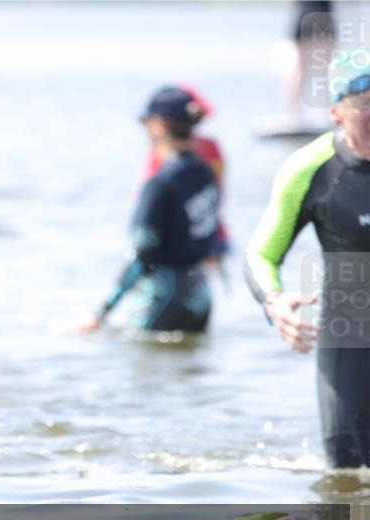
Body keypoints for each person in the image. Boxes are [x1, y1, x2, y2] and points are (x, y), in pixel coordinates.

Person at [244, 54, 370, 468]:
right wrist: (274, 301)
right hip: (351, 336)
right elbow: (261, 252)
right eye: (365, 101)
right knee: (350, 481)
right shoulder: (309, 169)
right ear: (336, 112)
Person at [79, 86, 222, 334]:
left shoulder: (159, 185)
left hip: (164, 298)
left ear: (159, 125)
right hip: (201, 296)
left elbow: (141, 254)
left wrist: (100, 314)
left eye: (144, 121)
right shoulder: (207, 173)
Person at [142, 84, 230, 264]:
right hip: (211, 234)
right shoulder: (212, 148)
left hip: (174, 245)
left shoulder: (160, 154)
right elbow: (217, 192)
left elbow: (147, 202)